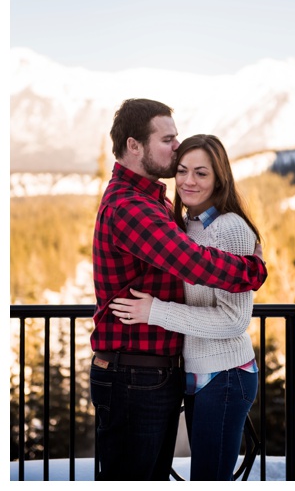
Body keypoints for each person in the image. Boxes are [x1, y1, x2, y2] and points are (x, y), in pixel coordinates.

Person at [90, 99, 268, 481]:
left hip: (162, 373)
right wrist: (253, 270)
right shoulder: (132, 207)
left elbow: (231, 315)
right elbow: (193, 263)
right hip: (134, 374)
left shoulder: (159, 203)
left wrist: (159, 311)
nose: (176, 146)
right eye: (168, 140)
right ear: (134, 145)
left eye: (199, 172)